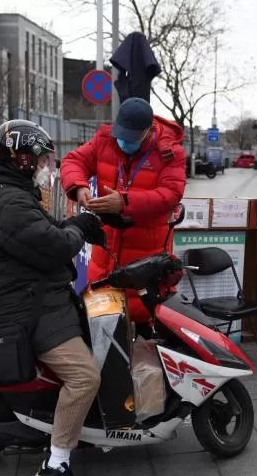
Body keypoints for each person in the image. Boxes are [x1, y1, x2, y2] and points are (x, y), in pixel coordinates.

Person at [0, 120, 105, 476]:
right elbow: (53, 245)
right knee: (85, 376)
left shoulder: (11, 191)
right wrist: (79, 228)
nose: (48, 165)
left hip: (39, 295)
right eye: (43, 158)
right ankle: (55, 464)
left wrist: (79, 224)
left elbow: (45, 231)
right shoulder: (8, 201)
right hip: (28, 308)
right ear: (23, 158)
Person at [60, 98, 186, 326]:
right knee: (101, 323)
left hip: (146, 256)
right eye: (122, 134)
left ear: (148, 131)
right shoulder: (105, 141)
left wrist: (125, 202)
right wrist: (79, 186)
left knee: (143, 325)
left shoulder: (170, 153)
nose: (124, 142)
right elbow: (73, 160)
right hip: (106, 252)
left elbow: (170, 194)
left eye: (131, 137)